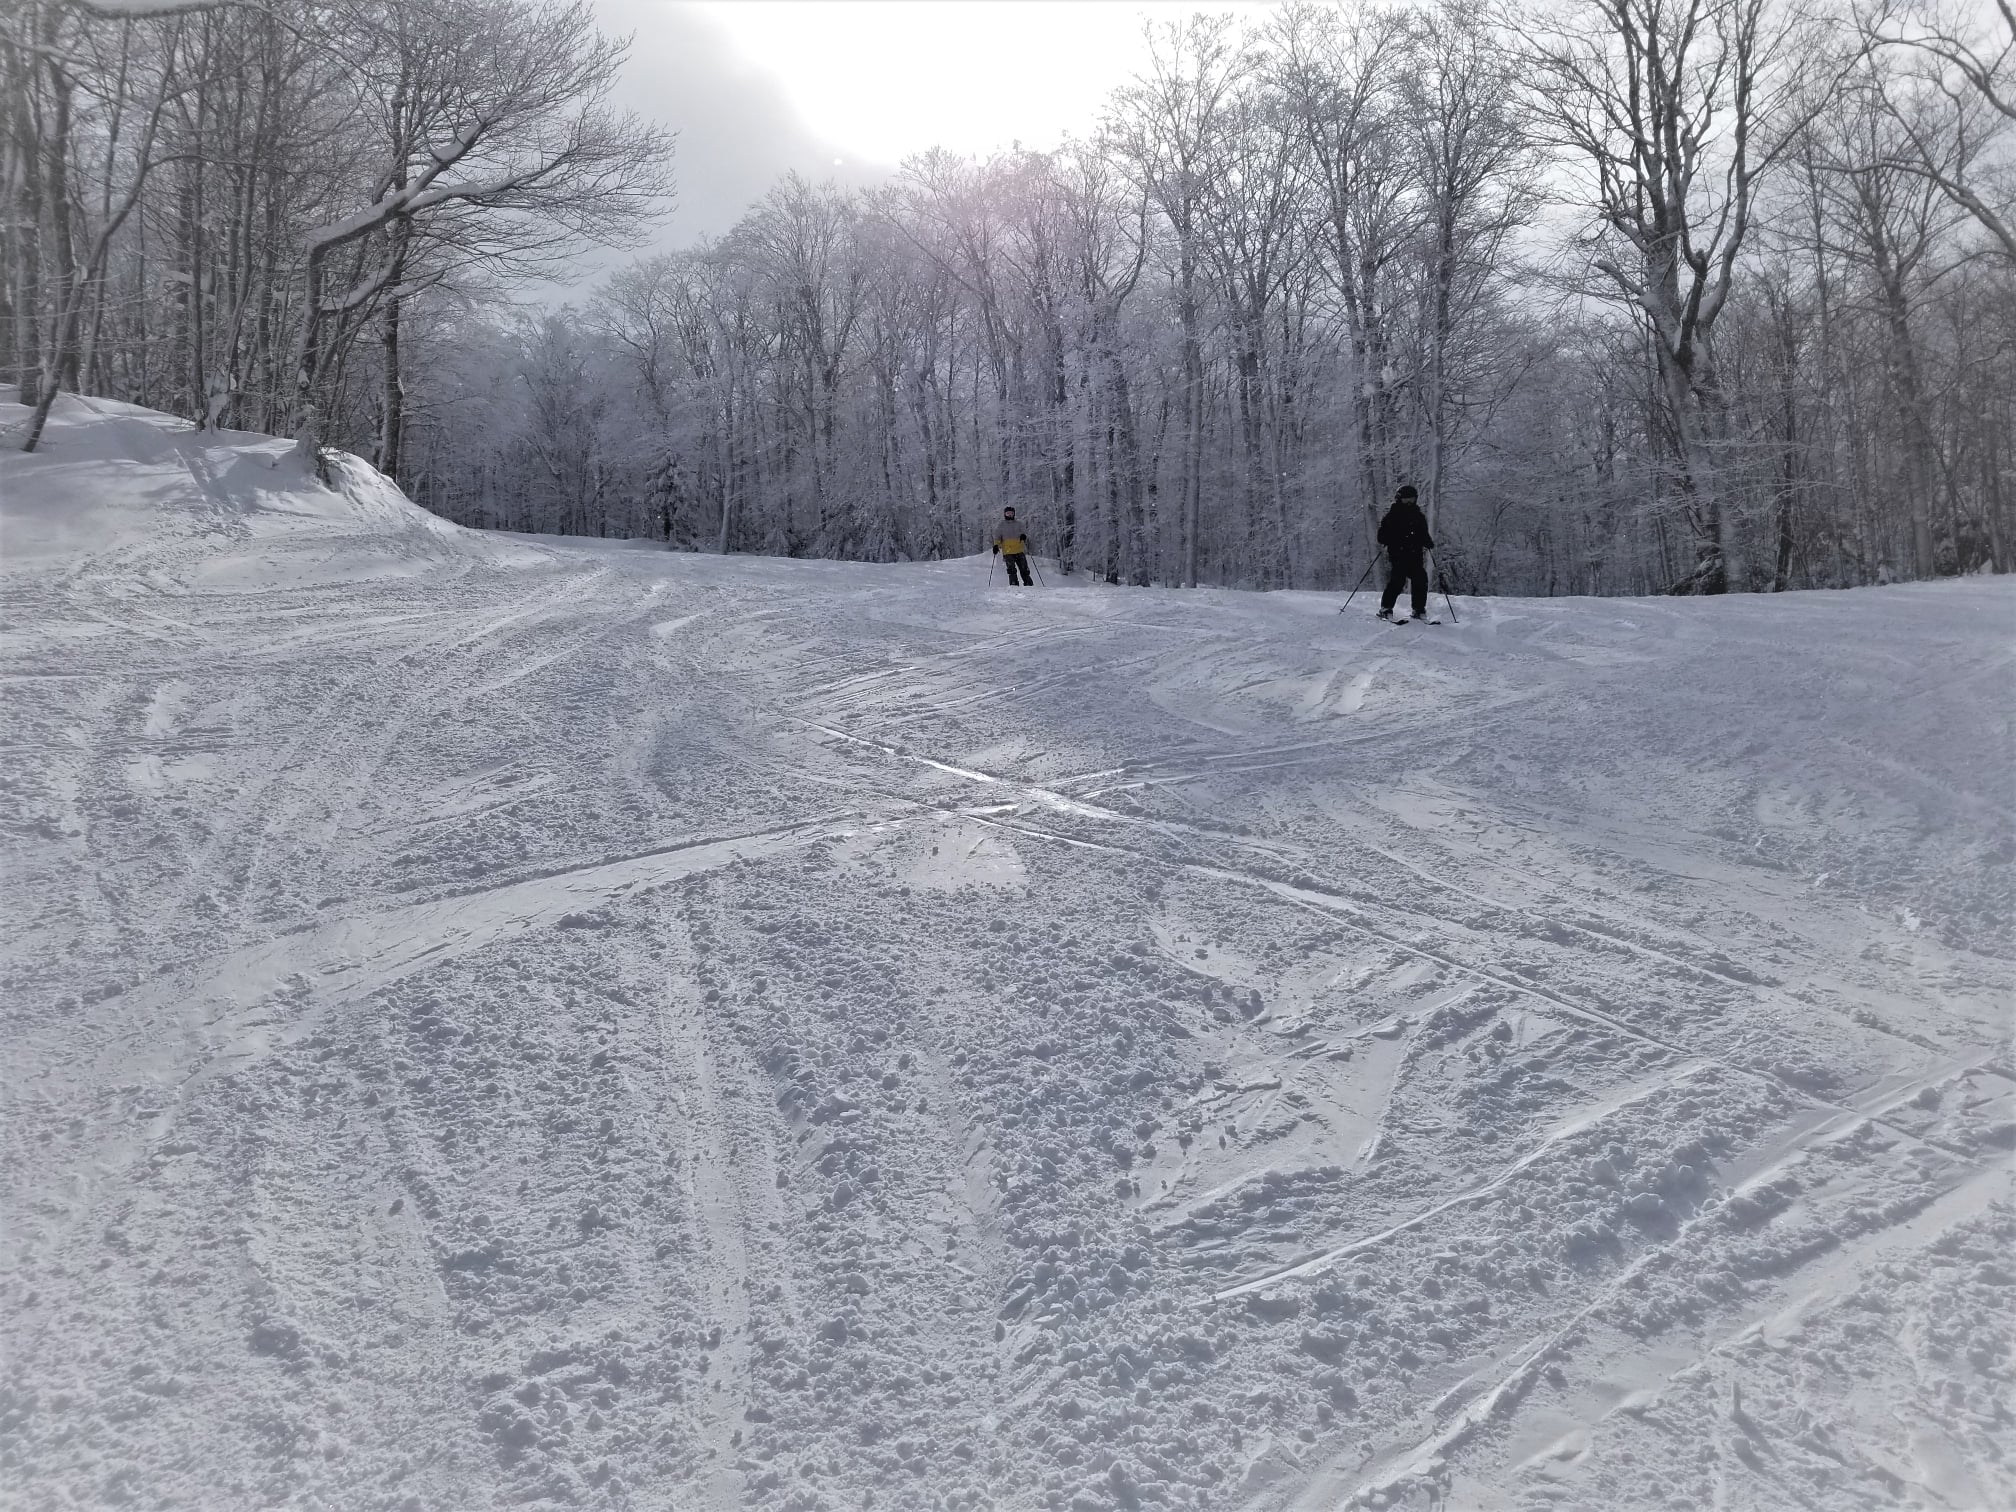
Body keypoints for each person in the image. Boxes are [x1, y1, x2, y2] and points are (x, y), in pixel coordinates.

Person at [1376, 484, 1434, 621]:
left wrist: (1427, 541)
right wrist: (1392, 538)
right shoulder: (1392, 515)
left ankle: (1418, 609)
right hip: (1398, 554)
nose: (1409, 502)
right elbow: (1381, 536)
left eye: (1411, 499)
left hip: (1415, 555)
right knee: (1397, 580)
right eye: (1405, 499)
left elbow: (1423, 533)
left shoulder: (1419, 516)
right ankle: (1386, 607)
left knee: (1420, 579)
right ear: (1399, 499)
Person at [992, 507, 1034, 586]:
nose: (1010, 515)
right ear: (1005, 514)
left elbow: (1024, 532)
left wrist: (1024, 536)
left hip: (1019, 550)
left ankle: (1028, 584)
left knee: (1024, 569)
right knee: (1011, 570)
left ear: (1014, 513)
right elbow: (997, 537)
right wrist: (996, 545)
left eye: (1011, 513)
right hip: (1008, 551)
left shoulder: (1019, 523)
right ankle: (1014, 585)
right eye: (1008, 513)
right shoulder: (1001, 525)